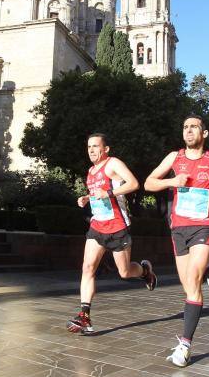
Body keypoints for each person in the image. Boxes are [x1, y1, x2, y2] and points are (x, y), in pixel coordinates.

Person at [145, 114, 209, 367]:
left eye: (194, 127)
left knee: (194, 282)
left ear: (204, 133)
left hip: (204, 225)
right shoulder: (174, 157)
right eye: (185, 127)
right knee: (188, 284)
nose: (188, 131)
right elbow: (148, 183)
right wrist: (171, 181)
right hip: (179, 227)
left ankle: (185, 345)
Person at [66, 133, 157, 335]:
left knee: (124, 272)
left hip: (118, 226)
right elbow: (98, 194)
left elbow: (133, 184)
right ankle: (85, 316)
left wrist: (107, 193)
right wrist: (87, 198)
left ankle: (144, 271)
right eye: (89, 146)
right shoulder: (90, 171)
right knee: (87, 267)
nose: (91, 150)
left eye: (95, 146)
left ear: (105, 149)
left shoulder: (113, 163)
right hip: (98, 226)